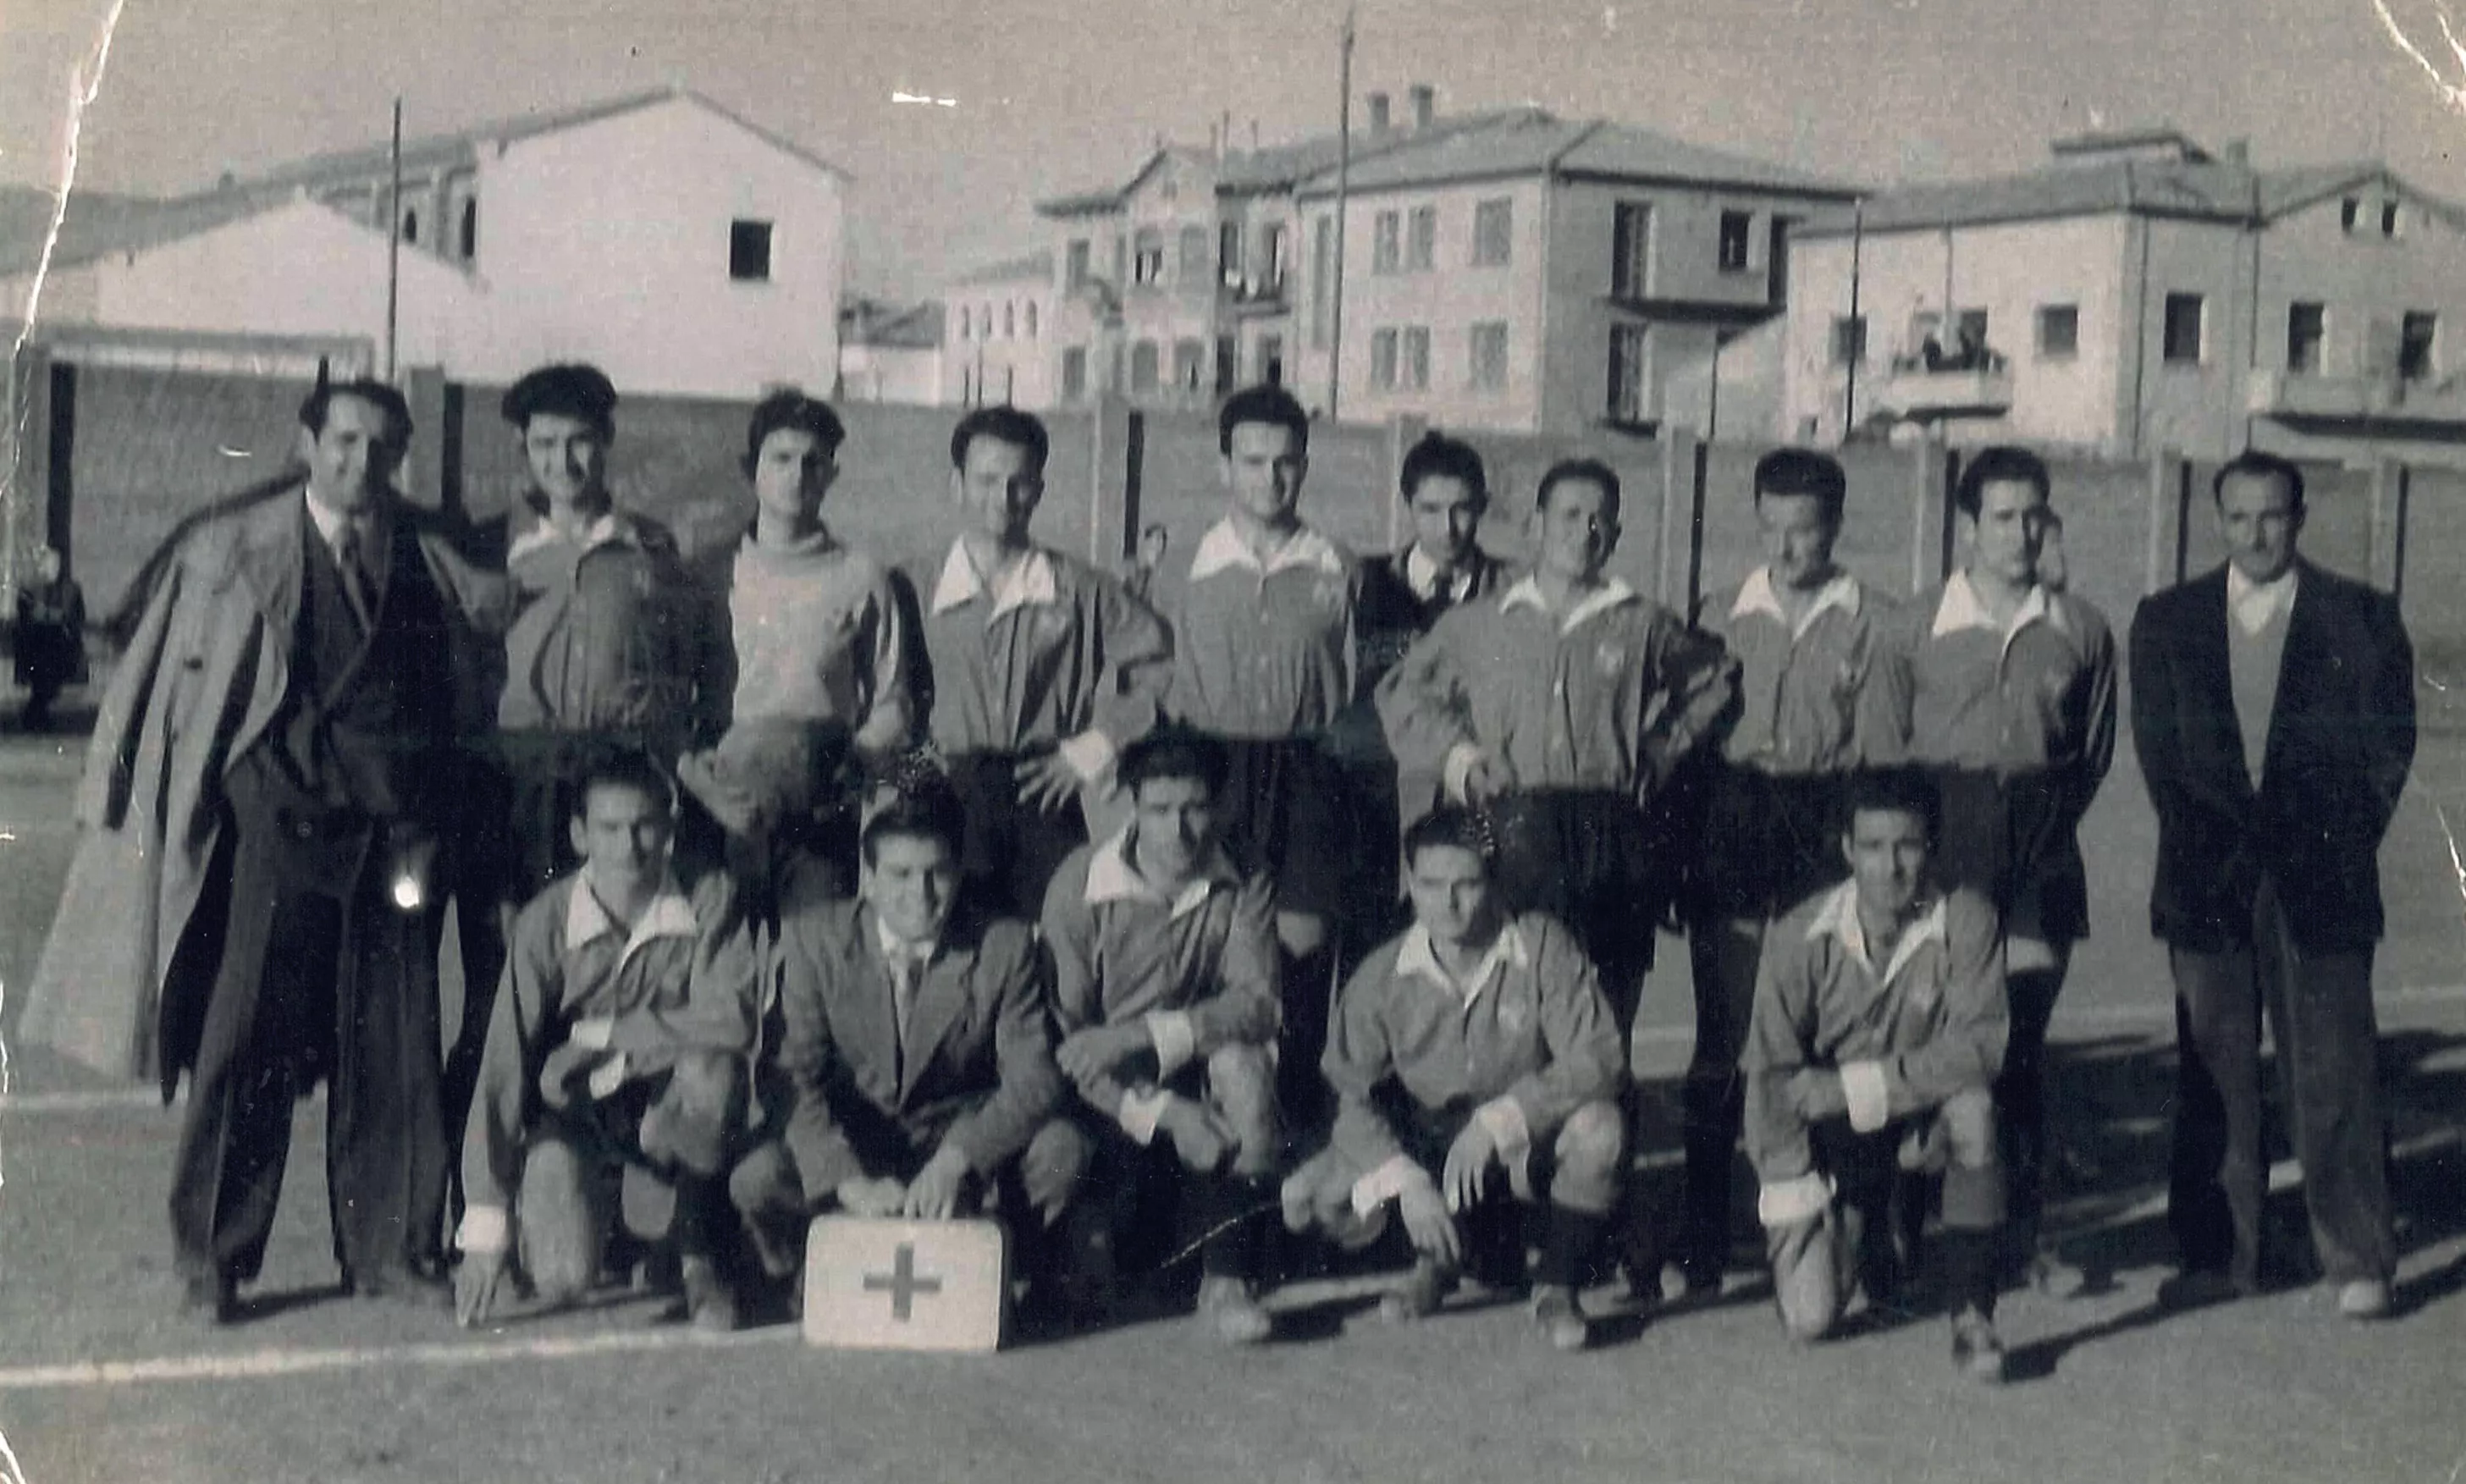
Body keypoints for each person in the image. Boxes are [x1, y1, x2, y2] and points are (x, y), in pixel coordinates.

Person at [22, 372, 503, 1321]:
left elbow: (458, 688)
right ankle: (213, 1256)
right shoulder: (229, 553)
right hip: (275, 834)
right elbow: (160, 697)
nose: (361, 463)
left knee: (397, 1041)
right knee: (246, 1043)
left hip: (393, 839)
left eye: (380, 447)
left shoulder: (425, 558)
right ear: (306, 442)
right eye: (344, 442)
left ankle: (392, 1247)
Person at [2129, 450, 2416, 1320]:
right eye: (2240, 516)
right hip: (2208, 876)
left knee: (2335, 1069)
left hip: (2320, 876)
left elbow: (2387, 752)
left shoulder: (2360, 618)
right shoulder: (2168, 620)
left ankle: (2357, 1254)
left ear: (2300, 517)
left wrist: (2332, 838)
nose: (2257, 534)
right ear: (2218, 519)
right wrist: (2211, 842)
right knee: (2215, 1073)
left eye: (2274, 516)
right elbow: (2160, 757)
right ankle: (2225, 1250)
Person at [1867, 444, 2116, 1295]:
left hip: (2040, 853)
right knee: (1924, 1042)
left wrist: (2037, 818)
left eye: (2034, 514)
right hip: (1945, 850)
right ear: (1968, 525)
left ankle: (2025, 1239)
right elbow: (1884, 756)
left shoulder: (2079, 627)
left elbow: (2089, 754)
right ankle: (1897, 1234)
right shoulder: (1912, 623)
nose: (2021, 531)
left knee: (2018, 1047)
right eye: (2003, 517)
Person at [450, 363, 709, 1157]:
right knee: (504, 984)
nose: (563, 464)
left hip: (614, 783)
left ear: (607, 445)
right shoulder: (488, 546)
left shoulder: (649, 547)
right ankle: (486, 1185)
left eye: (581, 445)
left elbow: (683, 667)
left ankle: (601, 1169)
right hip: (515, 787)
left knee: (609, 972)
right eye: (546, 445)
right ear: (524, 450)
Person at [1376, 458, 1735, 1023]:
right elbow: (1402, 693)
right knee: (1515, 996)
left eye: (1599, 520)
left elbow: (1712, 681)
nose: (1583, 532)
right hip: (1512, 821)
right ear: (1534, 524)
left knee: (1608, 999)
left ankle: (1608, 1108)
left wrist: (1663, 748)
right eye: (1568, 516)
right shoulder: (1480, 622)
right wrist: (1460, 759)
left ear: (1614, 536)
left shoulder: (1640, 621)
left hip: (1609, 825)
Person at [728, 785, 1091, 1315]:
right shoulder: (813, 940)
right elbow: (792, 1076)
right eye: (899, 874)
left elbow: (1034, 1079)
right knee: (756, 1177)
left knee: (1062, 1152)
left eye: (937, 872)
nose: (920, 893)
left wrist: (957, 1162)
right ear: (868, 880)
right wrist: (849, 1183)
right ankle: (808, 1267)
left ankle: (1014, 1270)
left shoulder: (1005, 945)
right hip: (857, 1146)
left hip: (959, 1149)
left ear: (958, 873)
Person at [1670, 448, 1894, 1300]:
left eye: (1805, 529)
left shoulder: (1872, 617)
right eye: (1772, 528)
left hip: (1823, 818)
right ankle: (1700, 1233)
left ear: (1834, 527)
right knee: (1723, 1030)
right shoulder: (1718, 612)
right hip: (1734, 817)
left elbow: (1879, 747)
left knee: (1830, 1030)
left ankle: (1848, 1234)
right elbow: (1686, 744)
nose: (1789, 547)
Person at [1282, 807, 1627, 1352]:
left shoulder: (1540, 947)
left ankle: (1555, 1285)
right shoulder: (1381, 974)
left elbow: (1599, 1055)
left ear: (1493, 881)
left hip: (1517, 1149)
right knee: (1305, 1197)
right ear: (1411, 885)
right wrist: (1407, 1182)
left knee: (1600, 1130)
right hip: (1429, 1151)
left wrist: (1499, 1121)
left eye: (1466, 884)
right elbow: (1347, 1095)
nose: (1449, 903)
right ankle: (1437, 1261)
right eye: (1431, 885)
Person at [453, 749, 761, 1332]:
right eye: (610, 829)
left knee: (711, 1073)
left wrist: (603, 1035)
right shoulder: (545, 921)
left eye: (645, 825)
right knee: (564, 1277)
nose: (629, 846)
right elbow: (503, 1068)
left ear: (669, 828)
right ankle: (616, 1227)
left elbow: (731, 1020)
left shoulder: (708, 894)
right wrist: (486, 1227)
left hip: (664, 1104)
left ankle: (698, 1253)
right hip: (579, 1114)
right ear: (579, 834)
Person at [1743, 769, 2011, 1382]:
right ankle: (1861, 1220)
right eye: (1871, 847)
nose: (1890, 867)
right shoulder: (1795, 937)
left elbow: (1979, 1048)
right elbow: (1770, 1080)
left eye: (1907, 846)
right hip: (1828, 1142)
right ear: (1846, 850)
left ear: (1931, 847)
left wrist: (1851, 1088)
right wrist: (1794, 1194)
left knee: (1973, 1110)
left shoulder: (1966, 920)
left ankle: (1972, 1314)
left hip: (1918, 1121)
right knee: (1809, 1319)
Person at [1161, 383, 1367, 1117]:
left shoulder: (1340, 566)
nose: (1269, 478)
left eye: (1285, 462)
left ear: (1304, 467)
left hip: (1309, 767)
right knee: (1209, 943)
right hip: (1209, 769)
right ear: (1224, 467)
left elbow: (1376, 674)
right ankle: (1213, 1124)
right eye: (1252, 461)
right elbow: (1147, 672)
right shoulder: (1180, 564)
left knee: (1302, 947)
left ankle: (1301, 1124)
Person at [1040, 729, 1285, 1344]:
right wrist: (1169, 1115)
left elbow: (1257, 1004)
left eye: (1195, 808)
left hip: (1185, 1064)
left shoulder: (1243, 871)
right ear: (1129, 804)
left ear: (1220, 806)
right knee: (1097, 1271)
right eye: (1158, 810)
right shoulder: (1078, 883)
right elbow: (1068, 1045)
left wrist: (1137, 1035)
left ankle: (1228, 1276)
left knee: (1244, 1068)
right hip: (1104, 1096)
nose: (1178, 830)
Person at [916, 405, 1172, 919]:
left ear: (1039, 488)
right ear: (956, 483)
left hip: (1043, 794)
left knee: (1051, 951)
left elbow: (1161, 664)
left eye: (1020, 482)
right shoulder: (914, 585)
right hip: (941, 794)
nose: (1003, 498)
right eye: (986, 480)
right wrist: (906, 780)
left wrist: (1094, 747)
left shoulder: (1079, 588)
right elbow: (877, 702)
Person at [676, 391, 915, 900]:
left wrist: (854, 764)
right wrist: (704, 784)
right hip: (723, 805)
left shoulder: (861, 576)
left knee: (813, 962)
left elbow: (893, 700)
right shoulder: (711, 574)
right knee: (721, 965)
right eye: (781, 459)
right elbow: (674, 699)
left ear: (831, 474)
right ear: (751, 468)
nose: (797, 475)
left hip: (819, 809)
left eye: (814, 462)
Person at [1349, 430, 1512, 845]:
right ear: (1407, 507)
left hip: (1477, 792)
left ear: (1483, 507)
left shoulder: (1514, 595)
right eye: (1430, 509)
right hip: (1376, 795)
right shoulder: (1363, 586)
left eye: (1462, 510)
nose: (1448, 528)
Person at [11, 543, 86, 731]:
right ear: (40, 566)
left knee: (49, 683)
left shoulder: (71, 589)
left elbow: (77, 617)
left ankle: (35, 715)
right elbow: (26, 616)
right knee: (42, 679)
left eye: (56, 564)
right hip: (36, 647)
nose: (52, 569)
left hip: (61, 647)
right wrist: (52, 616)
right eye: (47, 564)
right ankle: (35, 716)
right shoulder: (29, 589)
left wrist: (56, 617)